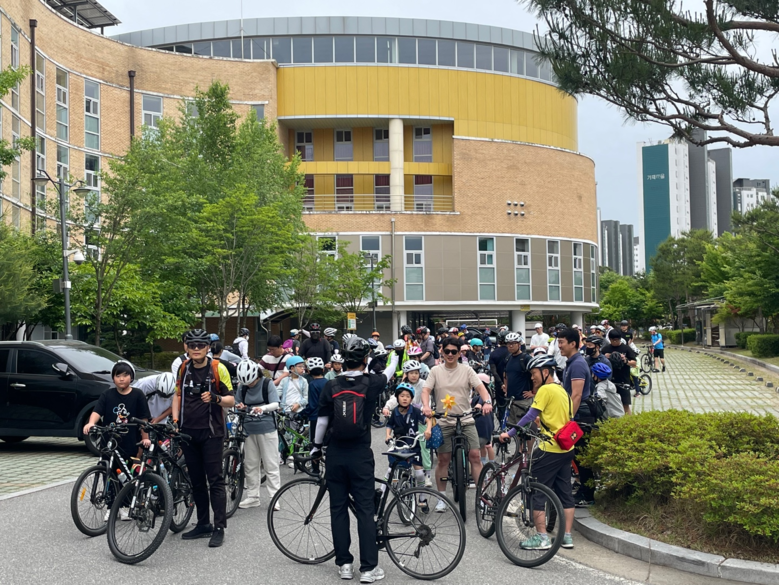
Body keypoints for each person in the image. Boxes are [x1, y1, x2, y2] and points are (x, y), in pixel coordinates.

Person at [311, 337, 399, 583]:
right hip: (360, 454)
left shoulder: (331, 385)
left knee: (338, 509)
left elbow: (322, 421)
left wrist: (316, 447)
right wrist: (393, 355)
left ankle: (345, 565)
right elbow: (390, 370)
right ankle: (369, 568)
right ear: (364, 359)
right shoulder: (372, 383)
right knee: (365, 510)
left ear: (342, 360)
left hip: (336, 453)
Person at [498, 355, 576, 550]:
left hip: (549, 449)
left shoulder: (545, 390)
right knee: (565, 492)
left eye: (534, 373)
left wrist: (509, 433)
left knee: (536, 492)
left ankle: (542, 538)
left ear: (545, 372)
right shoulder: (562, 391)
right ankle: (567, 537)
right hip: (566, 448)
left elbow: (530, 415)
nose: (532, 377)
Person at [172, 329, 235, 547]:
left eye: (201, 345)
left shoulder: (218, 368)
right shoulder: (183, 368)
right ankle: (203, 524)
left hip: (211, 433)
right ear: (186, 347)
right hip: (188, 432)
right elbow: (177, 395)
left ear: (208, 347)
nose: (196, 349)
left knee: (215, 480)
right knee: (196, 481)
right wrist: (175, 420)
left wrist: (216, 398)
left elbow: (231, 400)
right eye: (192, 345)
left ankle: (219, 527)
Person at [421, 337, 493, 511]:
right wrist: (426, 406)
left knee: (475, 456)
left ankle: (481, 497)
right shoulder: (435, 371)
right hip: (444, 420)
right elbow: (426, 390)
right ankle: (442, 498)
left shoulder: (467, 370)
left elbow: (481, 389)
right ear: (442, 352)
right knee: (443, 459)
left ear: (460, 353)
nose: (450, 354)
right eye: (447, 351)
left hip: (466, 419)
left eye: (454, 351)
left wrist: (487, 401)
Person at [557, 328, 596, 507]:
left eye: (562, 342)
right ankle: (582, 489)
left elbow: (577, 395)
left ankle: (588, 495)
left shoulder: (578, 364)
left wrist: (569, 419)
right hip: (577, 414)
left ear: (573, 344)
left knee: (582, 456)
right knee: (577, 457)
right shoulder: (571, 362)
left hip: (581, 416)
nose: (559, 346)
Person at [234, 360, 281, 510]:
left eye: (252, 382)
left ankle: (275, 497)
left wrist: (262, 408)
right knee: (250, 464)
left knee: (270, 464)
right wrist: (239, 406)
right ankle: (253, 497)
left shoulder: (267, 383)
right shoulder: (242, 387)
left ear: (257, 375)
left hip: (267, 428)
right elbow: (237, 403)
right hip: (248, 429)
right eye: (246, 383)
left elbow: (275, 404)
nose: (249, 385)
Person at [84, 360, 152, 461]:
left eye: (125, 375)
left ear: (131, 377)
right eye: (118, 376)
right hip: (109, 440)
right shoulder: (107, 394)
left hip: (130, 441)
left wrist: (145, 438)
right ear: (113, 378)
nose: (121, 379)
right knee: (106, 466)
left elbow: (143, 418)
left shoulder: (138, 395)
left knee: (129, 467)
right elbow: (97, 411)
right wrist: (91, 423)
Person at [383, 383, 432, 512]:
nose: (405, 398)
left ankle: (422, 498)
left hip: (413, 446)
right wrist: (388, 435)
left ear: (411, 399)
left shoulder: (415, 411)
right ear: (397, 397)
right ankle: (381, 496)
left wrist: (428, 430)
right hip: (399, 446)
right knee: (390, 470)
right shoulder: (395, 412)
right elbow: (389, 425)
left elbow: (428, 420)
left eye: (408, 396)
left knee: (419, 474)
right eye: (402, 396)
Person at [601, 329, 638, 415]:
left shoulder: (626, 348)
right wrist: (604, 357)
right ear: (609, 339)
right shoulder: (605, 349)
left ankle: (629, 421)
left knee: (625, 405)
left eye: (616, 340)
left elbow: (634, 363)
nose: (614, 342)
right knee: (609, 404)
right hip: (609, 380)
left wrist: (625, 360)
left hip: (623, 380)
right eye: (612, 340)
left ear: (620, 339)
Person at [503, 332, 533, 425]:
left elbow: (536, 376)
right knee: (512, 428)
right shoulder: (508, 358)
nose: (510, 346)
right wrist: (506, 388)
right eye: (508, 343)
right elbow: (505, 374)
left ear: (519, 344)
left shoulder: (526, 358)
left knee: (524, 428)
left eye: (513, 343)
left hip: (523, 400)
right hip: (511, 401)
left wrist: (533, 392)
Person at [489, 330, 510, 421]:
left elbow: (494, 372)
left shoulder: (494, 353)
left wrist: (501, 384)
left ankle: (502, 425)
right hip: (513, 384)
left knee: (501, 407)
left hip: (499, 384)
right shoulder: (512, 353)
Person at [304, 357, 327, 431]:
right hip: (328, 416)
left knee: (314, 437)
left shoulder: (312, 384)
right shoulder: (328, 382)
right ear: (323, 370)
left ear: (309, 371)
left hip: (315, 417)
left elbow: (312, 404)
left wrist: (302, 413)